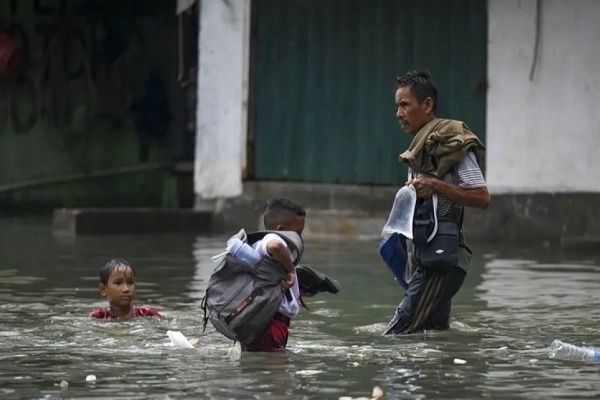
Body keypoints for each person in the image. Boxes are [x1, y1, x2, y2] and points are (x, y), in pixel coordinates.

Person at [383, 70, 490, 335]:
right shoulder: (419, 150)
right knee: (433, 335)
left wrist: (437, 185)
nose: (399, 113)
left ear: (427, 105)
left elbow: (482, 196)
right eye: (397, 106)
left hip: (442, 263)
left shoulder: (452, 144)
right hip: (427, 259)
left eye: (405, 105)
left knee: (397, 334)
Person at [242, 197, 340, 352]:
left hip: (264, 324)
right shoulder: (272, 239)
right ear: (280, 230)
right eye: (298, 233)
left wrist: (296, 292)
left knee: (262, 370)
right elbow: (275, 246)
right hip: (269, 327)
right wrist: (290, 271)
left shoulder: (259, 247)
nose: (299, 239)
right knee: (275, 374)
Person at [89, 258, 162, 320]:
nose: (126, 289)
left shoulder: (147, 314)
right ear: (103, 289)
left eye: (130, 283)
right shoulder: (98, 317)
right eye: (118, 283)